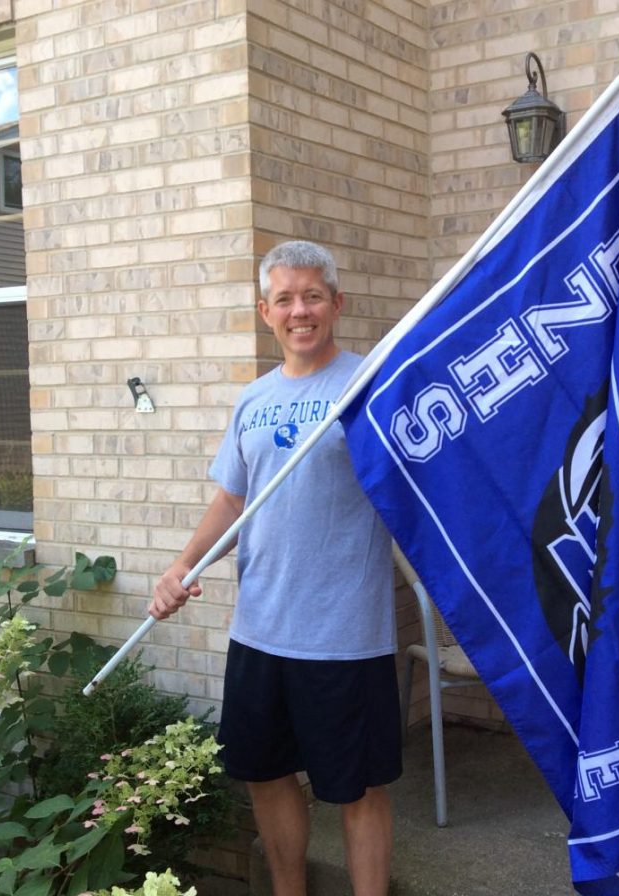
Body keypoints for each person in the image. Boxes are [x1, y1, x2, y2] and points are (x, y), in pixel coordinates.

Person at [151, 240, 400, 896]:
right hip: (261, 627)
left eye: (312, 295)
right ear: (266, 311)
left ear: (336, 304)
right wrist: (181, 566)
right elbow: (233, 500)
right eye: (285, 299)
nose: (300, 310)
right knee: (263, 772)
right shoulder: (252, 401)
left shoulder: (370, 385)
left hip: (346, 632)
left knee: (358, 786)